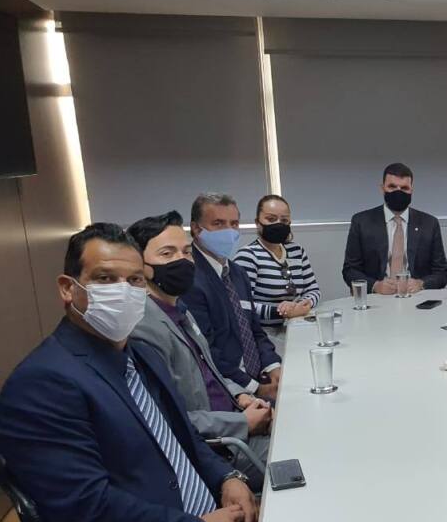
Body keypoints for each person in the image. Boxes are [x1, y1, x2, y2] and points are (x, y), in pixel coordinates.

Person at [0, 223, 360, 522]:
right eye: (105, 279)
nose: (123, 291)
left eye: (133, 280)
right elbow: (87, 508)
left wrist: (229, 477)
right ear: (69, 289)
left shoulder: (135, 355)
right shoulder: (43, 384)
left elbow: (186, 440)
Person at [128, 211, 272, 488]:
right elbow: (167, 418)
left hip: (235, 419)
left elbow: (211, 373)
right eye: (167, 253)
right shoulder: (143, 327)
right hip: (221, 448)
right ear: (140, 266)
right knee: (307, 455)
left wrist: (241, 395)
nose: (182, 260)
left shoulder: (179, 309)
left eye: (186, 252)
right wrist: (242, 422)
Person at [181, 194, 282, 401]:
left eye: (234, 224)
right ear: (196, 229)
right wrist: (255, 388)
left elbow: (254, 329)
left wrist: (273, 366)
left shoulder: (237, 273)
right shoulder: (189, 279)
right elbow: (205, 351)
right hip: (229, 387)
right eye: (218, 224)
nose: (229, 231)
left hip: (259, 375)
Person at [342, 162, 447, 294]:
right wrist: (375, 286)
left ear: (411, 190)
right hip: (377, 298)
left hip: (416, 297)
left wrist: (421, 283)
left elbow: (441, 273)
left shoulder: (429, 224)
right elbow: (350, 270)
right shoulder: (362, 222)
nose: (398, 192)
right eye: (392, 187)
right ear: (382, 188)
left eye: (404, 188)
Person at [234, 195, 321, 342]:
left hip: (297, 325)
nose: (278, 224)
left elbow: (313, 290)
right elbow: (242, 304)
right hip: (263, 336)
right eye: (271, 219)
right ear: (257, 222)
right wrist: (281, 311)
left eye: (284, 220)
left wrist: (301, 305)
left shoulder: (297, 251)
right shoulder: (248, 256)